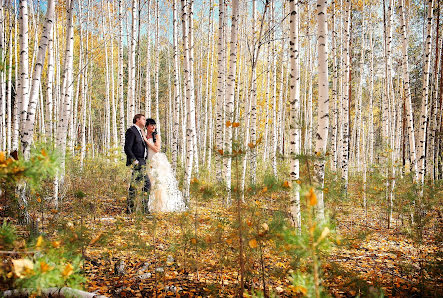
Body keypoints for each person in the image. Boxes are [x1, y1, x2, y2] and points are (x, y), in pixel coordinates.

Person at [142, 118, 187, 212]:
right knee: (148, 183)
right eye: (151, 125)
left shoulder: (156, 135)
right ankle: (147, 205)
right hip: (148, 161)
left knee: (158, 183)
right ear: (147, 126)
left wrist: (146, 141)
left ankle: (160, 205)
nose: (153, 127)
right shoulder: (144, 134)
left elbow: (156, 149)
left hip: (156, 160)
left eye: (154, 125)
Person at [124, 114, 151, 214]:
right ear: (137, 120)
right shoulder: (131, 131)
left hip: (142, 161)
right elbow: (127, 148)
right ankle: (144, 208)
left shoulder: (140, 132)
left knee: (134, 185)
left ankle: (130, 208)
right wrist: (135, 161)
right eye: (143, 119)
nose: (145, 121)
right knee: (147, 183)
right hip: (137, 162)